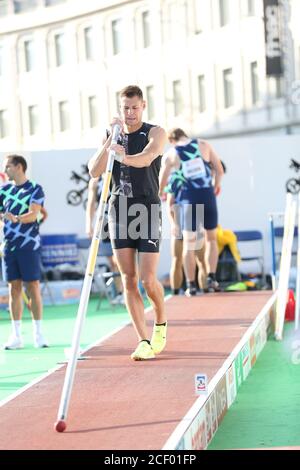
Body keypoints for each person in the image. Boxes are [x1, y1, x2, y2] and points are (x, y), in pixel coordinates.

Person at [88, 85, 167, 360]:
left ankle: (160, 321)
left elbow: (147, 158)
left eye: (135, 107)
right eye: (126, 108)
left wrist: (122, 157)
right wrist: (110, 144)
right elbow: (94, 171)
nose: (130, 113)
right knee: (128, 278)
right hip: (118, 209)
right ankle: (143, 340)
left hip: (147, 208)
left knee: (147, 280)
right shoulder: (113, 135)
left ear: (143, 106)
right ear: (120, 109)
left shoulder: (155, 132)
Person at [159, 128, 224, 295]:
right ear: (185, 135)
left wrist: (161, 192)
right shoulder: (203, 144)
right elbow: (219, 169)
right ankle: (211, 276)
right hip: (207, 195)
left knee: (190, 244)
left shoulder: (172, 153)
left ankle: (191, 285)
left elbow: (162, 179)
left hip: (189, 198)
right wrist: (216, 185)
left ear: (171, 140)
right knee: (211, 239)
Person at [0, 154, 48, 349]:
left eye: (8, 166)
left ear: (19, 167)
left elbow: (34, 214)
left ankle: (38, 334)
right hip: (9, 246)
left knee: (33, 287)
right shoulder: (3, 191)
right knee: (14, 289)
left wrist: (16, 219)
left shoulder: (35, 188)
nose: (5, 171)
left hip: (29, 245)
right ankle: (17, 336)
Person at [85, 175, 124, 305]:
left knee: (120, 260)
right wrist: (89, 224)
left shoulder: (120, 175)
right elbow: (91, 203)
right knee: (112, 262)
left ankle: (126, 291)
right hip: (105, 222)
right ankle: (119, 293)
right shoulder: (96, 182)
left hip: (122, 220)